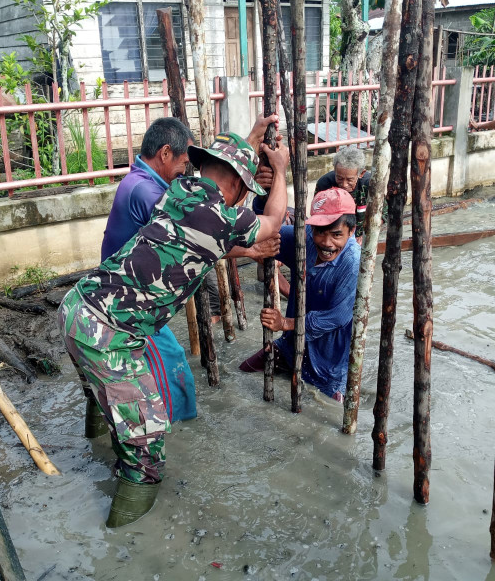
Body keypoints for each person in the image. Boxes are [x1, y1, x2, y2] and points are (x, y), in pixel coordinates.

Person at [58, 131, 289, 527]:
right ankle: (125, 544)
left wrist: (246, 246)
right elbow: (274, 220)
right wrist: (281, 170)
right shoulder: (222, 216)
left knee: (103, 396)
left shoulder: (177, 191)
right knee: (147, 451)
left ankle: (98, 447)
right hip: (108, 335)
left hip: (77, 308)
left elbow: (198, 241)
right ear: (235, 185)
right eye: (243, 191)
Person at [99, 116, 278, 424]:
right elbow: (203, 232)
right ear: (165, 153)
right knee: (175, 368)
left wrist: (249, 140)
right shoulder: (147, 191)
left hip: (116, 295)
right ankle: (183, 432)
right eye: (183, 162)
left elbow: (217, 191)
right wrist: (251, 249)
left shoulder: (152, 185)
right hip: (129, 306)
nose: (186, 172)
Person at [239, 187, 361, 403]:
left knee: (326, 410)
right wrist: (264, 193)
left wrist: (285, 323)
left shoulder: (352, 262)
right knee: (244, 370)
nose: (326, 242)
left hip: (328, 359)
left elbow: (338, 317)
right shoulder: (303, 238)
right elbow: (263, 234)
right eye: (320, 232)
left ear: (351, 232)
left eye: (336, 234)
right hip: (292, 344)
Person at [313, 145, 372, 240]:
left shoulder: (370, 184)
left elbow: (383, 213)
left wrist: (365, 234)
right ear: (335, 170)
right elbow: (317, 214)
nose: (344, 185)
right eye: (339, 178)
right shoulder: (324, 183)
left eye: (350, 180)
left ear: (361, 174)